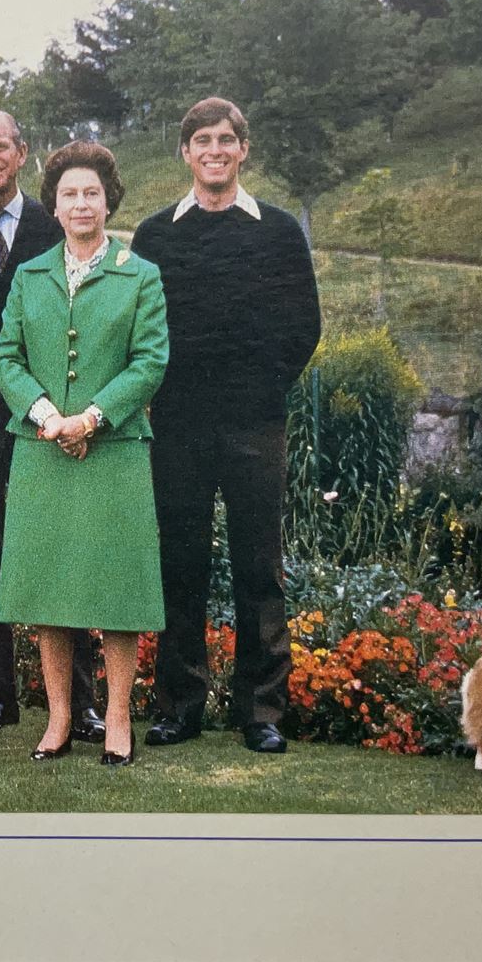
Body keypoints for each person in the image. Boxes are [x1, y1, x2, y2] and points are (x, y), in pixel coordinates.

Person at [131, 98, 322, 753]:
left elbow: (304, 327)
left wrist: (260, 390)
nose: (214, 149)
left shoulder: (277, 232)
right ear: (185, 152)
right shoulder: (155, 236)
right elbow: (141, 332)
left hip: (255, 424)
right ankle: (178, 707)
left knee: (258, 569)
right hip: (178, 425)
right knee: (180, 563)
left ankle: (261, 711)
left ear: (244, 149)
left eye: (226, 139)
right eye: (201, 139)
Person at [0, 141, 169, 767]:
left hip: (114, 449)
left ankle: (118, 717)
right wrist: (47, 417)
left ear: (108, 198)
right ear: (55, 203)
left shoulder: (139, 274)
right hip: (41, 449)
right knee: (47, 589)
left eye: (91, 192)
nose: (80, 203)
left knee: (118, 588)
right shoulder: (30, 273)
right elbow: (5, 355)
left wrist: (90, 418)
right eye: (69, 193)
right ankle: (60, 718)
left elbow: (151, 361)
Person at [0, 109, 104, 741]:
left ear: (22, 153)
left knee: (65, 550)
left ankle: (82, 703)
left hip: (51, 419)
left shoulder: (53, 226)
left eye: (1, 146)